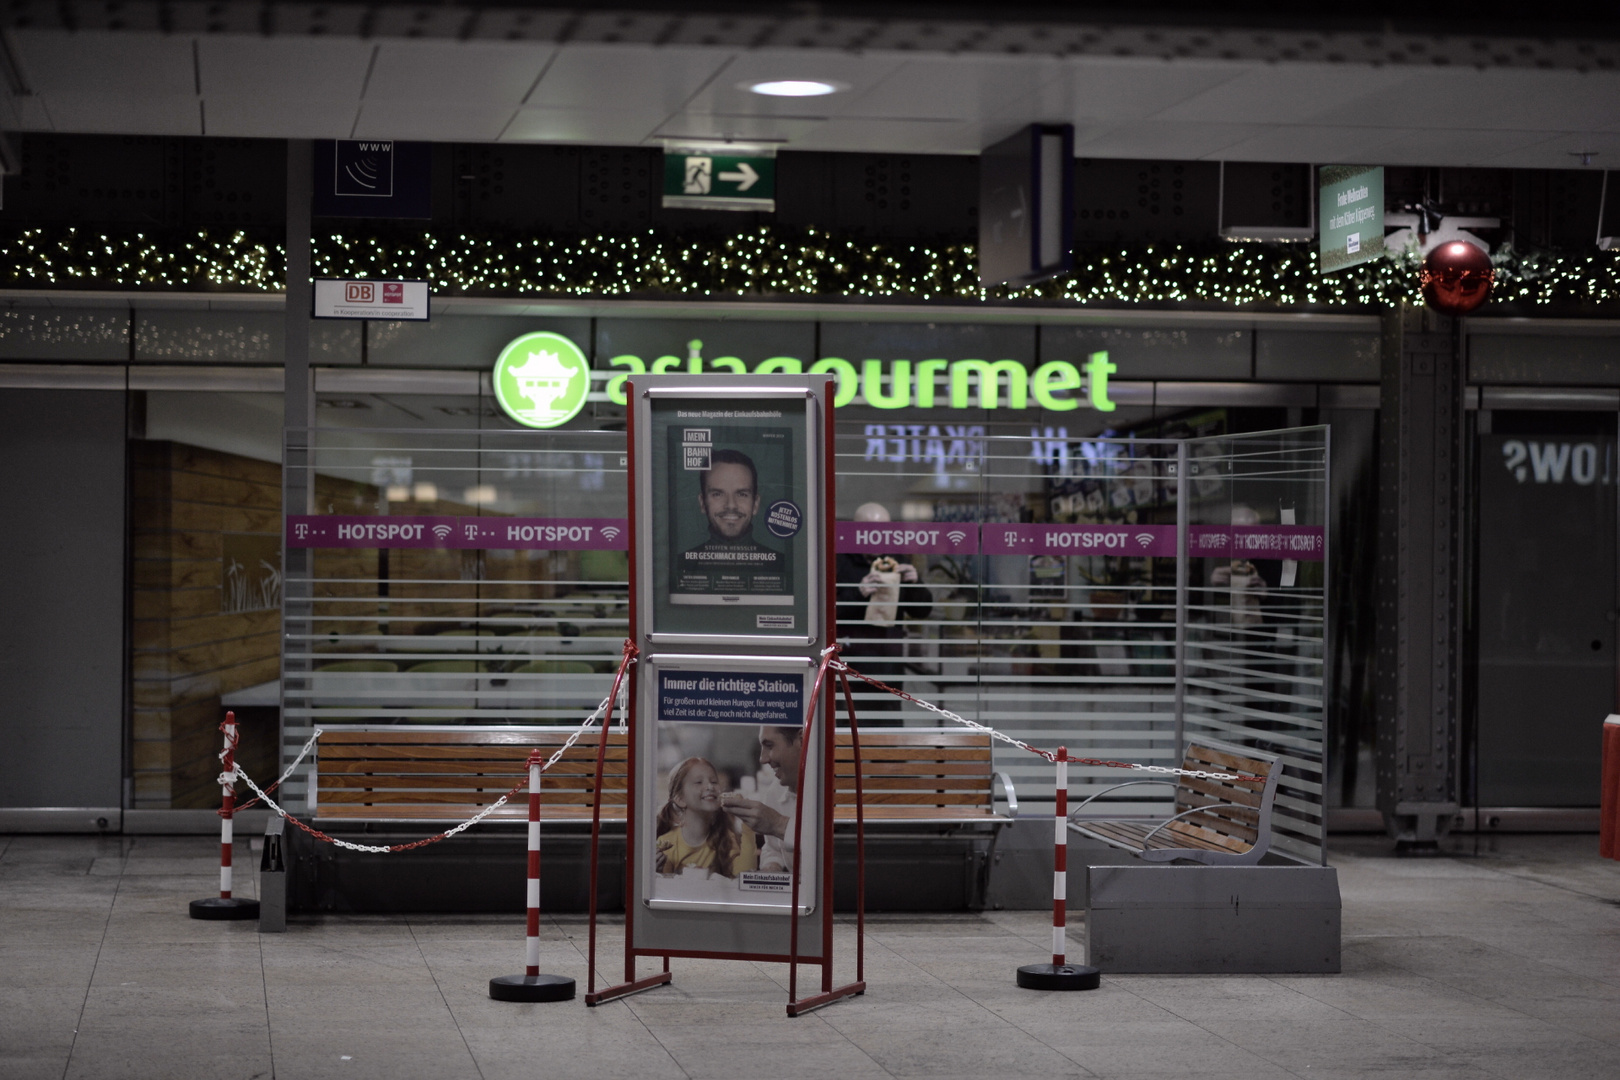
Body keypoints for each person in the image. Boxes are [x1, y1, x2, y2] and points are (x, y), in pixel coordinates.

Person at [835, 502, 933, 723]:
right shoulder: (839, 562)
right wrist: (858, 593)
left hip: (888, 665)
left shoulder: (897, 560)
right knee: (849, 733)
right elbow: (825, 616)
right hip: (849, 666)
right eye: (869, 531)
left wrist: (914, 584)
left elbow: (923, 610)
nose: (877, 537)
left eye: (883, 531)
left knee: (888, 733)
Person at [678, 448, 786, 595]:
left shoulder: (781, 566)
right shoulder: (681, 566)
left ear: (755, 504)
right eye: (717, 494)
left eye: (742, 494)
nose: (731, 505)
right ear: (702, 503)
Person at [653, 757, 758, 878]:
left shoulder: (726, 838)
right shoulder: (668, 844)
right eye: (699, 782)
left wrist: (748, 825)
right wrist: (658, 873)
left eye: (714, 782)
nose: (710, 786)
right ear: (680, 799)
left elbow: (744, 874)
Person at [721, 724, 801, 873]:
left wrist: (777, 824)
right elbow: (773, 848)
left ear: (801, 741)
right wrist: (772, 866)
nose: (763, 759)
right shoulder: (776, 791)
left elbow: (830, 845)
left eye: (770, 746)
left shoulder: (833, 791)